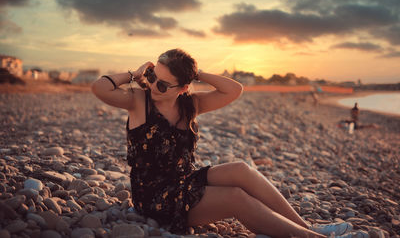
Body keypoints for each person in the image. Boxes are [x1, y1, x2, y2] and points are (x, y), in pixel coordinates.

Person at [91, 49, 368, 238]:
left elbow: (234, 90)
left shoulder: (191, 104)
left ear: (184, 88)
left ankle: (309, 227)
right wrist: (135, 74)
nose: (154, 87)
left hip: (184, 181)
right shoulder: (139, 101)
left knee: (241, 170)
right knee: (236, 198)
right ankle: (312, 237)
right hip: (154, 197)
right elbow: (99, 88)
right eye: (153, 78)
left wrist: (196, 74)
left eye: (164, 84)